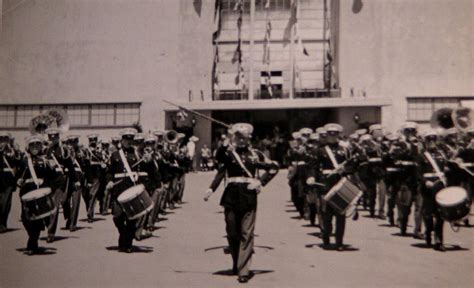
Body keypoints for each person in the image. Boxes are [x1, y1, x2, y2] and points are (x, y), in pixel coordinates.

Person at [204, 123, 279, 283]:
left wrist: (260, 182)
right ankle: (237, 262)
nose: (241, 140)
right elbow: (218, 158)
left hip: (249, 197)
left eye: (244, 138)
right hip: (230, 197)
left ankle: (243, 270)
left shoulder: (255, 154)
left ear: (249, 139)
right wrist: (228, 138)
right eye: (239, 137)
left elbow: (274, 167)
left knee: (247, 234)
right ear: (235, 138)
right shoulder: (228, 153)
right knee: (232, 232)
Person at [307, 123, 354, 251]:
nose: (332, 136)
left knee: (341, 214)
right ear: (326, 136)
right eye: (330, 134)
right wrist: (311, 177)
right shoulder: (320, 150)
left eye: (335, 134)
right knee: (326, 214)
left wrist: (345, 169)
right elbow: (313, 166)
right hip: (325, 184)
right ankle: (326, 238)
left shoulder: (345, 150)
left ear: (339, 135)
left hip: (340, 183)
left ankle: (339, 242)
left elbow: (352, 165)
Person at [105, 128, 145, 253]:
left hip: (132, 189)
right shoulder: (115, 155)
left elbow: (143, 171)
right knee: (117, 216)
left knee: (131, 218)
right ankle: (124, 235)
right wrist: (110, 181)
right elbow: (109, 172)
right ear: (121, 140)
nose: (128, 141)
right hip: (118, 189)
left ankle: (127, 244)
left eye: (130, 139)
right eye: (126, 139)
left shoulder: (137, 154)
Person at [16, 135, 55, 255]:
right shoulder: (24, 161)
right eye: (32, 145)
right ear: (28, 147)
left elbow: (51, 177)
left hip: (40, 193)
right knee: (26, 219)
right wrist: (18, 180)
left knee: (37, 220)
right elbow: (17, 175)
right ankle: (33, 239)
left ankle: (32, 244)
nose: (34, 147)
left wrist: (51, 168)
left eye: (37, 145)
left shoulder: (44, 161)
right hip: (27, 192)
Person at [44, 128, 78, 242]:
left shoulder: (63, 150)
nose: (52, 139)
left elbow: (70, 166)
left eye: (54, 137)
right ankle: (47, 224)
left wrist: (75, 180)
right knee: (47, 206)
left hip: (60, 181)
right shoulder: (45, 151)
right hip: (48, 182)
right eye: (50, 137)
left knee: (54, 206)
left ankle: (51, 233)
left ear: (58, 137)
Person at [418, 129, 448, 251]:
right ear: (425, 141)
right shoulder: (421, 156)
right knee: (428, 213)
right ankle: (428, 232)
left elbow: (447, 168)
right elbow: (418, 173)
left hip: (440, 186)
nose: (432, 141)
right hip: (428, 188)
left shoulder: (442, 154)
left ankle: (438, 241)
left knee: (440, 214)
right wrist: (425, 182)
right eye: (429, 139)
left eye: (434, 139)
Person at [0, 132, 21, 233]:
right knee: (1, 202)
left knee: (6, 203)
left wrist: (16, 150)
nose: (3, 141)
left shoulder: (12, 150)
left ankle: (3, 224)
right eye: (2, 139)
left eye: (6, 139)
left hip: (9, 179)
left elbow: (18, 161)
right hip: (0, 178)